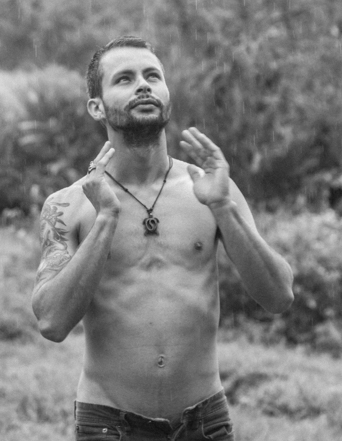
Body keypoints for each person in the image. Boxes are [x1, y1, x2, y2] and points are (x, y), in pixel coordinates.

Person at [31, 35, 294, 441]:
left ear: (167, 93)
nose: (143, 85)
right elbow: (51, 321)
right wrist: (106, 219)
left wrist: (223, 207)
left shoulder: (209, 188)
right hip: (109, 424)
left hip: (204, 423)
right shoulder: (70, 204)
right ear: (96, 106)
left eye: (153, 76)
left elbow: (278, 296)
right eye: (124, 79)